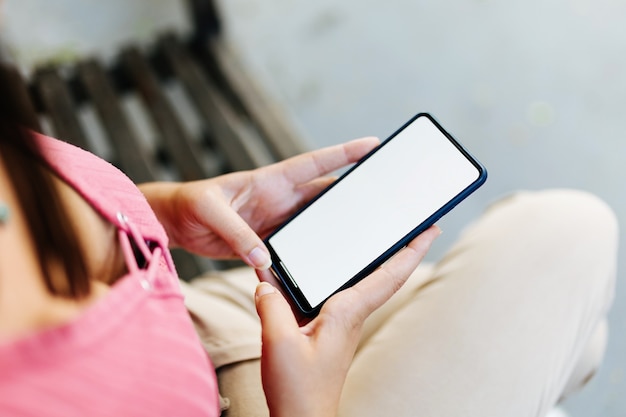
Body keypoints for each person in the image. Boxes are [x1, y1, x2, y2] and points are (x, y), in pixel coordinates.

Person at [0, 63, 618, 416]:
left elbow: (71, 234)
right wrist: (306, 409)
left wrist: (156, 215)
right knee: (570, 239)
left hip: (195, 315)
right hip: (265, 400)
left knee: (569, 321)